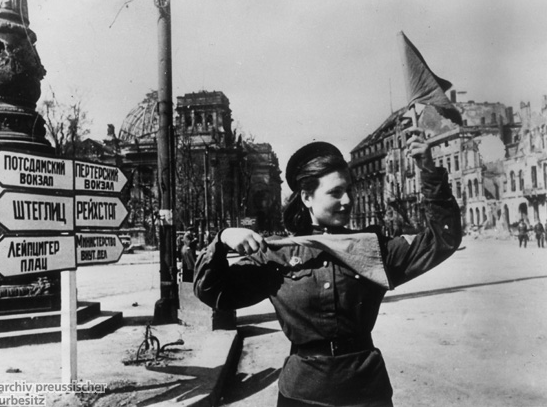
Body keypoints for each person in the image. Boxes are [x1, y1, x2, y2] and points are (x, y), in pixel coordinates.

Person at [194, 129, 462, 406]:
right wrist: (222, 239)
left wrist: (428, 171)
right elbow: (214, 293)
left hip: (365, 392)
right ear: (307, 197)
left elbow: (443, 239)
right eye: (335, 192)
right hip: (303, 395)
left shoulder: (372, 248)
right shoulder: (278, 254)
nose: (347, 201)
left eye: (349, 191)